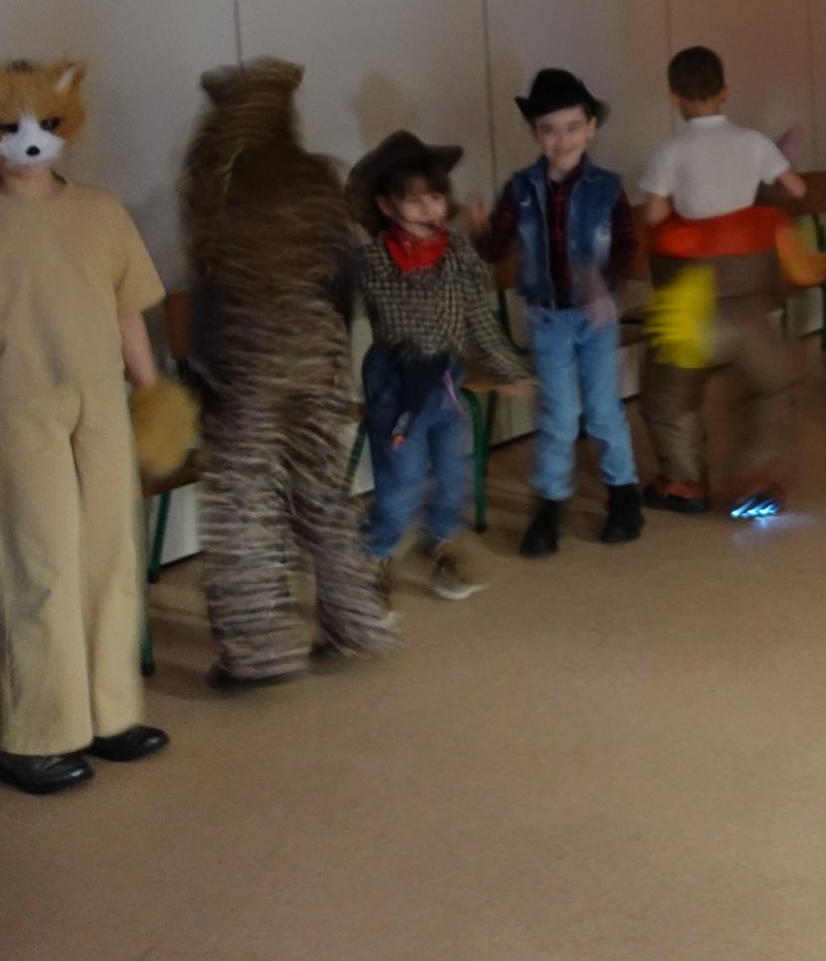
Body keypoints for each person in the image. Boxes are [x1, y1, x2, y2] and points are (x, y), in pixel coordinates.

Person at [0, 58, 173, 797]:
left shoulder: (102, 212)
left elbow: (127, 312)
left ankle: (110, 713)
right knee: (42, 567)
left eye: (46, 123)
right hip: (19, 414)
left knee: (112, 556)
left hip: (101, 405)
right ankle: (37, 735)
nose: (30, 139)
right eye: (10, 125)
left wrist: (152, 392)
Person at [182, 59, 398, 689]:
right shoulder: (316, 177)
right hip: (316, 355)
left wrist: (201, 370)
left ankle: (260, 652)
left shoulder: (215, 182)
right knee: (323, 494)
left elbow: (210, 286)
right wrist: (332, 348)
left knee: (246, 506)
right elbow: (345, 275)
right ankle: (356, 623)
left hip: (245, 363)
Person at [350, 132, 531, 604]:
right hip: (398, 382)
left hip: (446, 377)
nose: (429, 209)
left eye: (435, 197)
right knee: (402, 481)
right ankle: (373, 555)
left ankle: (440, 545)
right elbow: (370, 308)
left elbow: (478, 317)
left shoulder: (458, 253)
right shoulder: (373, 260)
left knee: (454, 473)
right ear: (387, 206)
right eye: (414, 201)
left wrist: (507, 367)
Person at [470, 69, 643, 558]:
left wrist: (605, 285)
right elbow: (494, 248)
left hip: (597, 319)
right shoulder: (521, 188)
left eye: (571, 128)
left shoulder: (608, 188)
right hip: (547, 319)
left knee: (604, 411)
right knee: (559, 415)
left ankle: (624, 497)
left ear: (590, 128)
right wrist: (481, 230)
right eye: (549, 130)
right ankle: (548, 507)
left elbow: (626, 246)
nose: (561, 140)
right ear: (534, 134)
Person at [635, 48, 806, 519]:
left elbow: (653, 215)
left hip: (690, 303)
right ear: (725, 92)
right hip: (748, 298)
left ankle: (685, 482)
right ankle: (757, 480)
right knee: (769, 388)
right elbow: (796, 189)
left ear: (674, 97)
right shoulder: (754, 142)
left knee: (669, 398)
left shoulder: (670, 152)